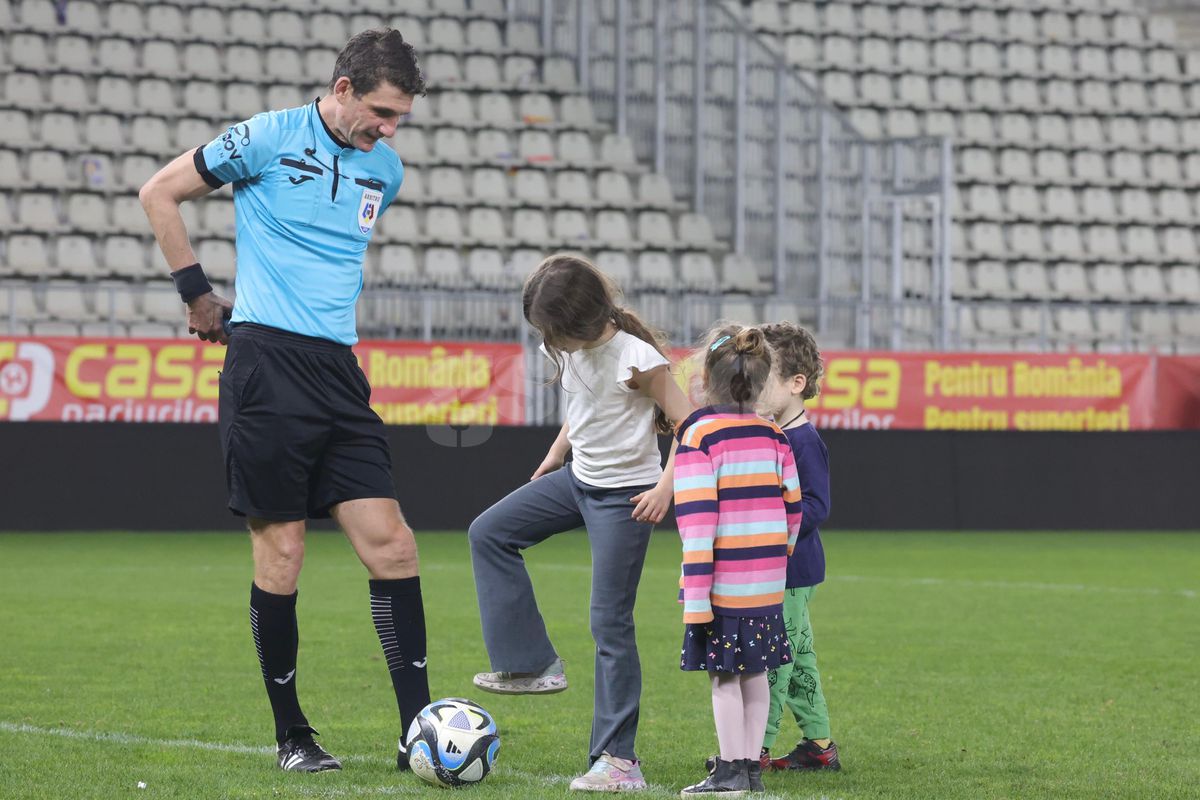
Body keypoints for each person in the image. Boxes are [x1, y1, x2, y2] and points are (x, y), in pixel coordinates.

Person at [138, 29, 430, 773]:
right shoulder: (266, 137)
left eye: (399, 117)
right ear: (342, 90)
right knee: (284, 552)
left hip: (339, 373)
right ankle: (293, 736)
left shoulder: (385, 170)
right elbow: (159, 192)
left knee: (394, 545)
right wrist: (196, 295)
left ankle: (418, 735)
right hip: (266, 366)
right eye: (381, 112)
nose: (389, 130)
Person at [467, 254, 693, 792]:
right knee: (489, 533)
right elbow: (583, 406)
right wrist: (555, 454)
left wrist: (665, 488)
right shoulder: (564, 345)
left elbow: (690, 424)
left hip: (625, 498)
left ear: (584, 320)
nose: (547, 341)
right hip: (577, 480)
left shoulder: (637, 359)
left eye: (553, 331)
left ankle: (619, 762)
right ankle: (530, 664)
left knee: (609, 623)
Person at [674, 325, 802, 796]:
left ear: (707, 380)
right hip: (765, 583)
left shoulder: (699, 435)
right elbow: (794, 509)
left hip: (722, 587)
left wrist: (695, 596)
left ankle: (729, 771)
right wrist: (777, 559)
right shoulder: (775, 435)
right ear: (763, 381)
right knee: (756, 672)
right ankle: (749, 770)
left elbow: (698, 523)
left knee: (724, 676)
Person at [756, 322, 838, 771]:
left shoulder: (804, 441)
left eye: (764, 378)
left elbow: (816, 505)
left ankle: (753, 749)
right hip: (789, 570)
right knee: (799, 659)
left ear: (796, 383)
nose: (755, 388)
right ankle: (819, 745)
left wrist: (769, 531)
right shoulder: (774, 434)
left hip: (790, 571)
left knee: (773, 661)